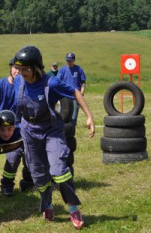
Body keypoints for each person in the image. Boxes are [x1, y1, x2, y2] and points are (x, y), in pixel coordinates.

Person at [12, 45, 95, 229]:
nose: (22, 72)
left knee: (59, 170)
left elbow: (75, 93)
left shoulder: (52, 83)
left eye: (25, 69)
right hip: (29, 130)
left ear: (36, 68)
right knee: (39, 176)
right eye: (19, 69)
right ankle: (47, 204)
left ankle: (73, 209)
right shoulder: (19, 81)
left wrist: (89, 116)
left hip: (51, 129)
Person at [0, 58, 25, 197]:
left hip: (15, 130)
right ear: (10, 68)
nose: (18, 71)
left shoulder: (24, 87)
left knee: (14, 156)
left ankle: (7, 184)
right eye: (16, 68)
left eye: (21, 69)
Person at [57, 52, 87, 125]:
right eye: (67, 60)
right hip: (64, 96)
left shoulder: (79, 69)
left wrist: (82, 92)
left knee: (73, 117)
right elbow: (57, 82)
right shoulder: (62, 70)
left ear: (74, 60)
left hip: (75, 96)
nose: (69, 62)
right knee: (61, 115)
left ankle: (71, 130)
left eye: (70, 61)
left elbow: (83, 82)